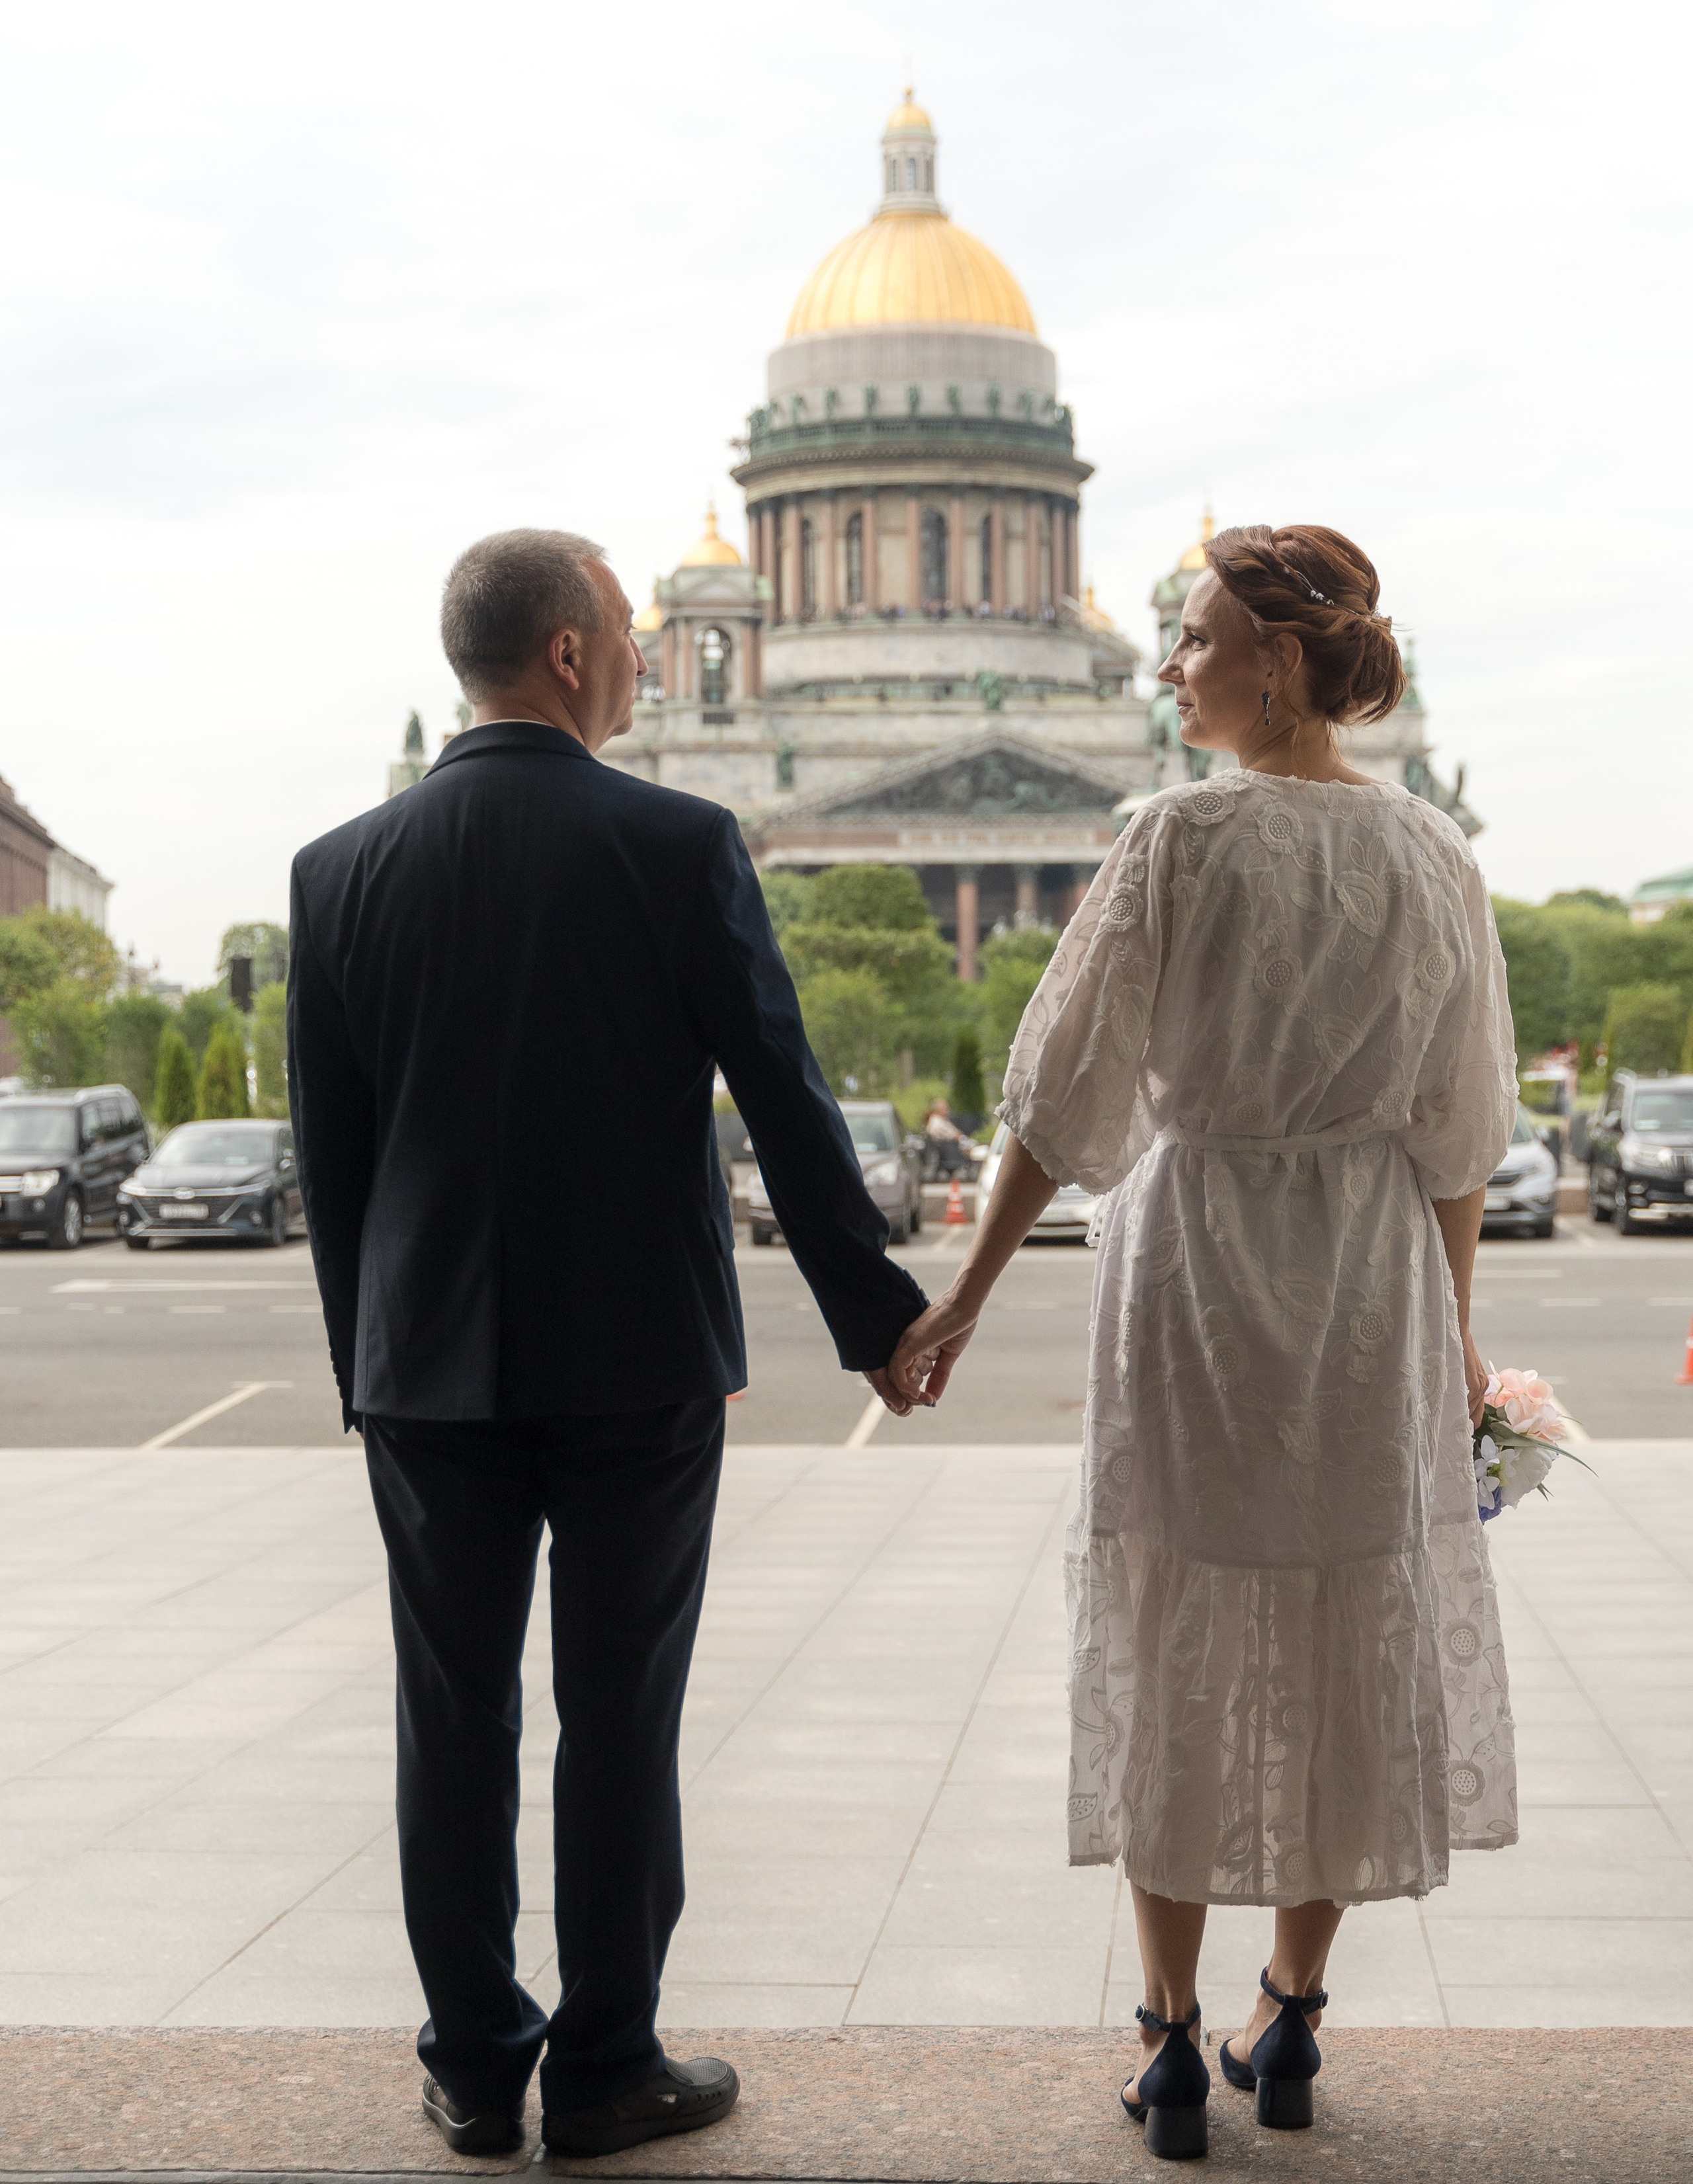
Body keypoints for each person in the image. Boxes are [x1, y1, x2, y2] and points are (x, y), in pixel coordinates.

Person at [287, 528, 926, 2162]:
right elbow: (782, 1101)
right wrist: (878, 1319)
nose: (644, 656)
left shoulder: (338, 867)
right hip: (636, 1357)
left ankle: (474, 2060)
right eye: (629, 631)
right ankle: (604, 2066)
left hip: (423, 1363)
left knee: (453, 1715)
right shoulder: (675, 841)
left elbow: (337, 1159)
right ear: (570, 652)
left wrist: (371, 1360)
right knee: (619, 1712)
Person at [891, 524, 1518, 2161]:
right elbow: (1458, 1141)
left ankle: (1166, 2040)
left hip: (1193, 1268)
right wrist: (1450, 1340)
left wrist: (962, 1293)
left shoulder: (1169, 837)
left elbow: (1058, 1104)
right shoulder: (1436, 855)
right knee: (1338, 1617)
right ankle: (1288, 2014)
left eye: (1191, 640)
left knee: (1175, 1615)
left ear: (1279, 663)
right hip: (1365, 1280)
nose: (1167, 665)